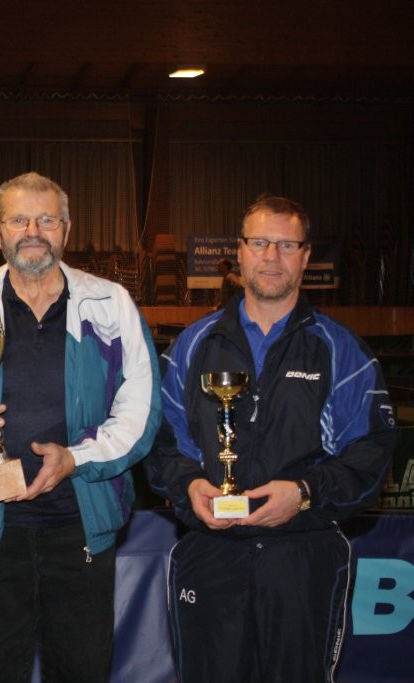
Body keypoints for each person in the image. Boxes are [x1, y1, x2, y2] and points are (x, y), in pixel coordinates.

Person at [146, 194, 396, 682]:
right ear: (239, 252)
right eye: (259, 243)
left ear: (306, 256)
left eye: (286, 245)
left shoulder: (340, 349)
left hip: (303, 559)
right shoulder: (193, 345)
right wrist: (189, 485)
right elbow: (161, 442)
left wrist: (304, 492)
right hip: (212, 554)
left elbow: (371, 452)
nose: (271, 256)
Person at [0, 172, 161, 681]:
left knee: (82, 671)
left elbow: (140, 411)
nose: (33, 231)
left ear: (67, 229)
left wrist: (77, 458)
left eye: (47, 219)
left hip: (80, 526)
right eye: (19, 220)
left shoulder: (111, 303)